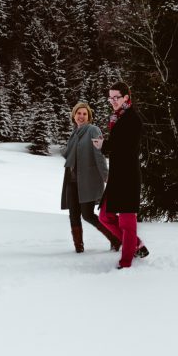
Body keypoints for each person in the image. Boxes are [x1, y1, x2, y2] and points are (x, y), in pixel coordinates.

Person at [93, 82, 149, 269]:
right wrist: (105, 144)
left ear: (126, 97)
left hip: (129, 177)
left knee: (127, 223)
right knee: (104, 217)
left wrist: (104, 146)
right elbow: (120, 144)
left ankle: (126, 262)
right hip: (117, 176)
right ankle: (136, 244)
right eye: (110, 97)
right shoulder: (118, 117)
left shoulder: (133, 118)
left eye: (116, 97)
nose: (113, 101)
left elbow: (128, 148)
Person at [61, 101, 121, 253]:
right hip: (71, 180)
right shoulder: (74, 133)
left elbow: (98, 154)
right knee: (73, 215)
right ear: (74, 115)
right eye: (78, 113)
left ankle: (115, 238)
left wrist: (106, 176)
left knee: (87, 215)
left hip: (87, 179)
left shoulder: (93, 130)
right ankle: (78, 248)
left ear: (89, 116)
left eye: (84, 114)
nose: (81, 116)